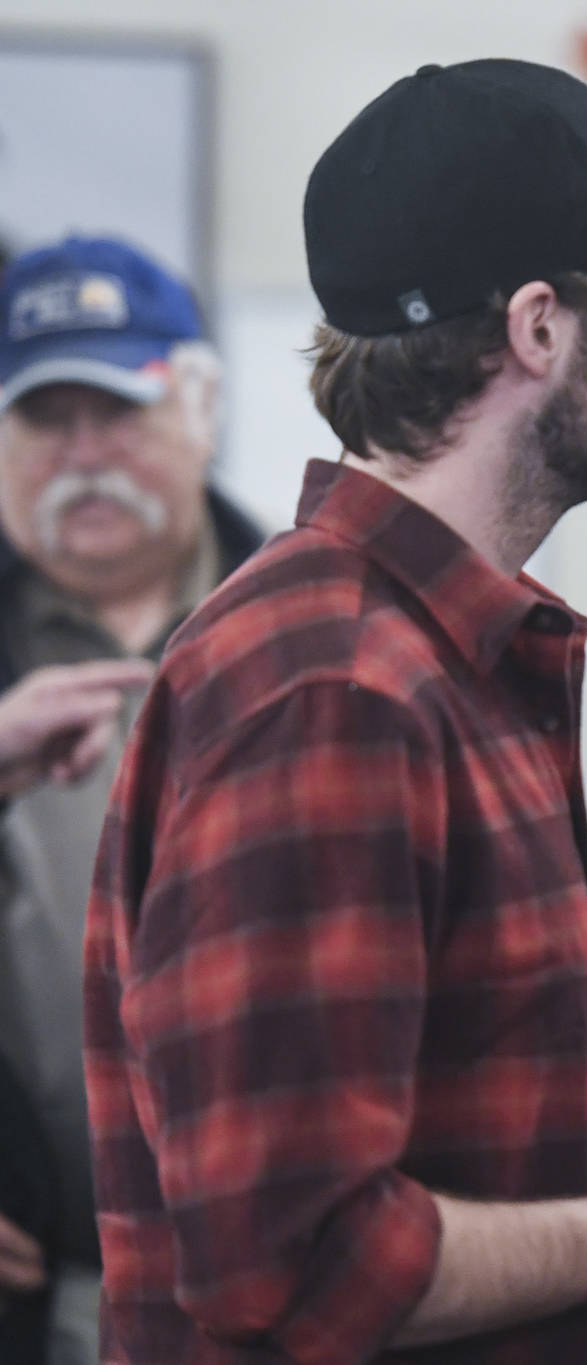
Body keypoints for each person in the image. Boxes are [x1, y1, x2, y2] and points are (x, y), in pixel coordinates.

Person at [80, 60, 587, 1365]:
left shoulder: (435, 655)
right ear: (539, 329)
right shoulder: (333, 688)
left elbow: (445, 1163)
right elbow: (293, 1264)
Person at [0, 236, 266, 1365]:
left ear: (203, 409)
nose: (83, 456)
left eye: (117, 413)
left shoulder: (314, 625)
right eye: (45, 420)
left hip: (281, 1282)